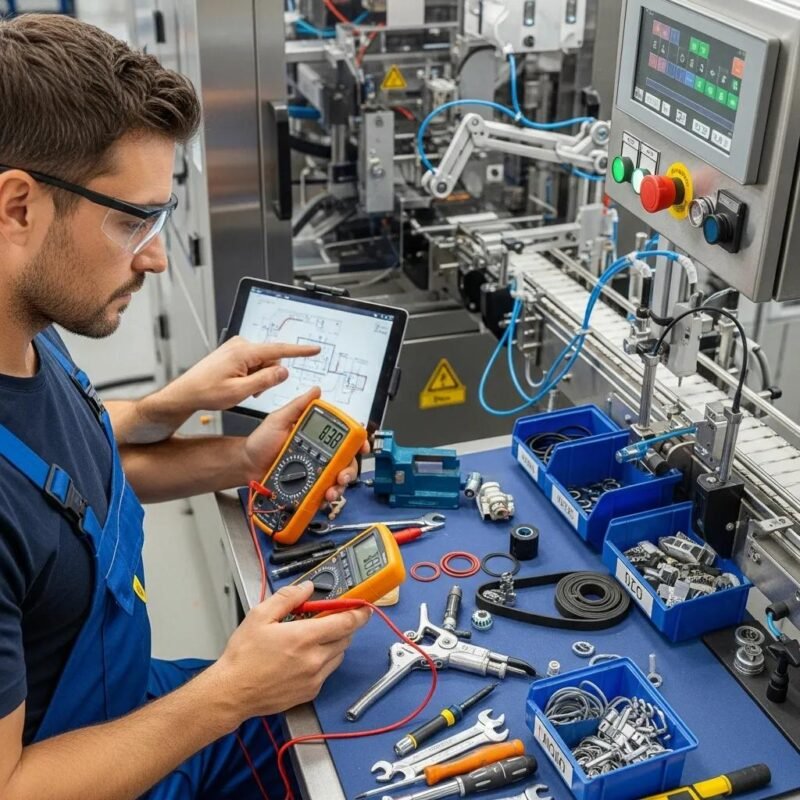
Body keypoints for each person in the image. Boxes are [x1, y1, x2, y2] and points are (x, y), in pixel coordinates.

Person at [0, 13, 370, 800]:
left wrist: (233, 451)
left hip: (132, 696)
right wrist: (232, 690)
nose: (158, 254)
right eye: (132, 221)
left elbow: (68, 478)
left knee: (351, 709)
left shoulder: (29, 334)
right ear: (18, 207)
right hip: (90, 767)